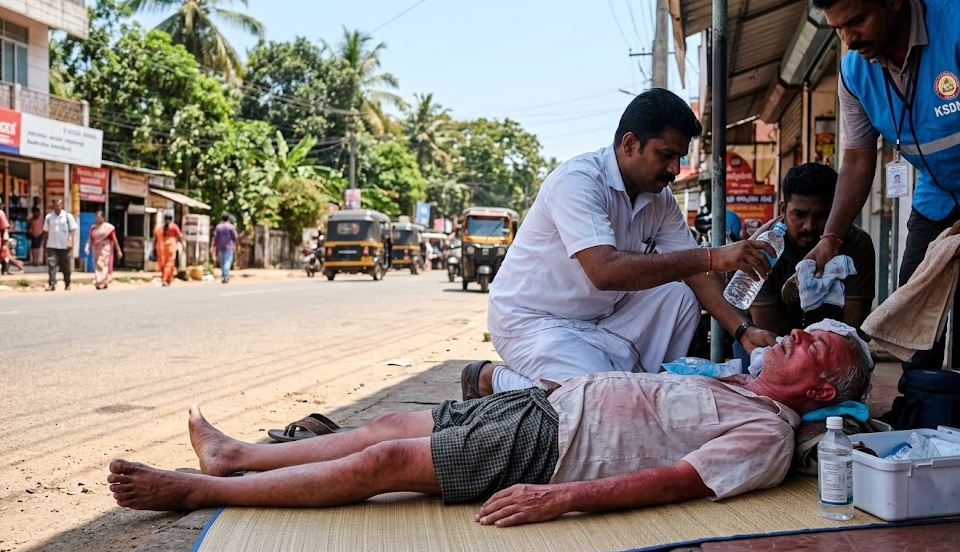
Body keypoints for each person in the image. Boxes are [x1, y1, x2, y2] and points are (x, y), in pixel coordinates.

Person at [107, 324, 870, 525]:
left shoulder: (768, 433)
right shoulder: (738, 378)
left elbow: (673, 483)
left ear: (824, 385)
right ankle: (235, 455)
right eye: (806, 331)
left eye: (817, 346)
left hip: (554, 446)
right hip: (546, 406)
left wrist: (558, 497)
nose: (799, 337)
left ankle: (204, 492)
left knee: (389, 466)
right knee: (393, 424)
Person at [476, 89, 779, 397]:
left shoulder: (660, 199)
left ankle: (641, 394)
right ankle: (492, 378)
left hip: (601, 320)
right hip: (532, 323)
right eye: (665, 155)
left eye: (679, 158)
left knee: (679, 299)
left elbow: (698, 274)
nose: (675, 169)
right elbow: (605, 271)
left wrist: (744, 332)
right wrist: (712, 257)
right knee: (598, 399)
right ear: (630, 144)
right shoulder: (577, 181)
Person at [808, 0, 960, 372]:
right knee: (912, 310)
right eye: (837, 28)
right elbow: (858, 161)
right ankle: (919, 405)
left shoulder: (954, 24)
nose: (848, 38)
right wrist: (831, 238)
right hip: (937, 195)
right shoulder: (853, 72)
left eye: (857, 21)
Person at [751, 163, 876, 336]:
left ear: (835, 213)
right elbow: (765, 329)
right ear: (782, 210)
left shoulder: (857, 243)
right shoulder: (762, 246)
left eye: (822, 215)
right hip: (772, 341)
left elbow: (853, 328)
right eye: (799, 215)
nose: (809, 226)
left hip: (833, 343)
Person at [42, 199, 78, 292]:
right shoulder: (49, 217)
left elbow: (73, 230)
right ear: (53, 207)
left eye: (59, 206)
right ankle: (52, 284)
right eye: (55, 206)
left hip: (64, 246)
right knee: (51, 266)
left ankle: (67, 283)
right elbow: (45, 231)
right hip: (52, 246)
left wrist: (71, 242)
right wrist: (46, 244)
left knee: (66, 267)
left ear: (61, 206)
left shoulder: (67, 216)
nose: (57, 207)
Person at [84, 211, 123, 290]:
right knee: (97, 265)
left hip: (105, 248)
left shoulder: (108, 228)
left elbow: (114, 239)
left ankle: (100, 282)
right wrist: (87, 247)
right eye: (96, 217)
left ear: (103, 218)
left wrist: (118, 250)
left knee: (102, 265)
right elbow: (90, 239)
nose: (97, 219)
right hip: (96, 249)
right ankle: (102, 282)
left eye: (99, 217)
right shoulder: (93, 228)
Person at [154, 214, 184, 287]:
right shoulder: (174, 227)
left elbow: (155, 239)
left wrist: (154, 248)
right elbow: (180, 237)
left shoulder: (159, 228)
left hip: (161, 247)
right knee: (169, 264)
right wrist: (183, 245)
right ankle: (165, 280)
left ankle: (168, 280)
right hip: (170, 246)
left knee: (163, 264)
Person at [211, 214, 239, 284]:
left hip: (220, 247)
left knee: (222, 262)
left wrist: (213, 246)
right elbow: (235, 238)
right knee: (227, 262)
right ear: (228, 219)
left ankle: (224, 275)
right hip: (229, 247)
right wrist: (237, 246)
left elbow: (215, 238)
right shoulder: (231, 227)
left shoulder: (218, 227)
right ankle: (226, 276)